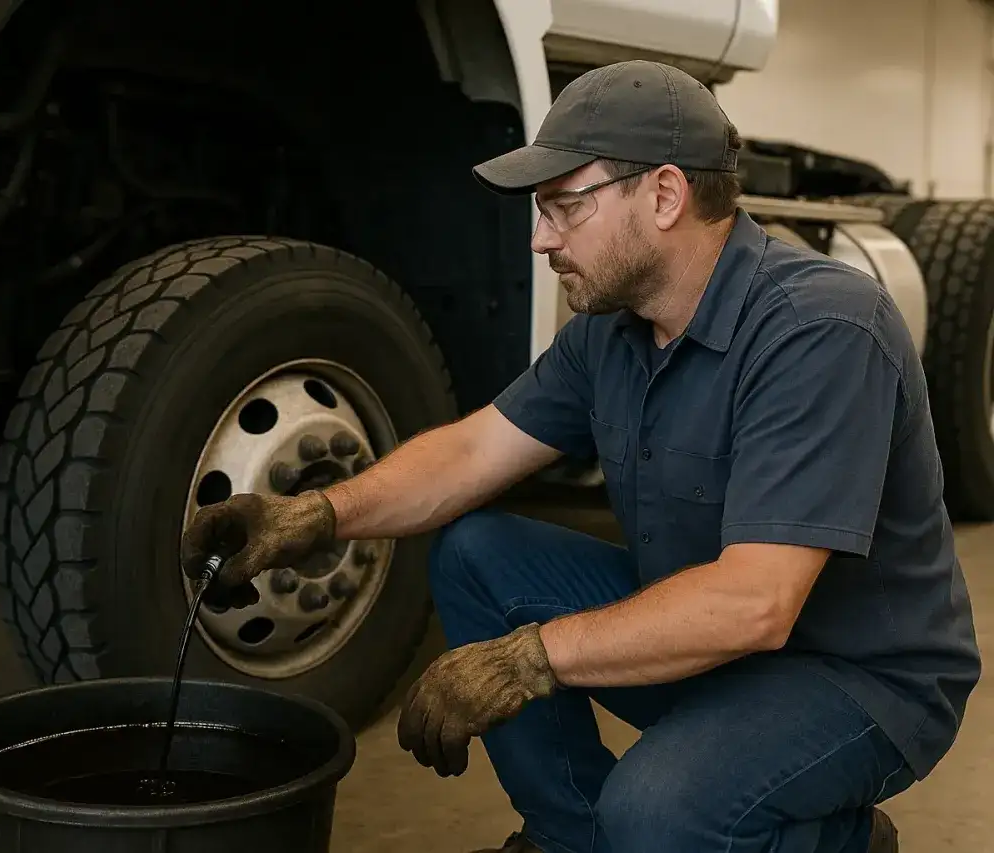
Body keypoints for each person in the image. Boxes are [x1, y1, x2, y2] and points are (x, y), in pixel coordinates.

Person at [179, 60, 981, 853]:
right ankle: (571, 838)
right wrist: (321, 513)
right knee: (477, 552)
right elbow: (473, 451)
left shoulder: (820, 330)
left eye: (565, 207)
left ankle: (836, 841)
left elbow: (755, 603)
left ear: (664, 195)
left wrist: (530, 659)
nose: (539, 239)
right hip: (710, 625)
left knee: (654, 811)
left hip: (855, 676)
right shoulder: (612, 330)